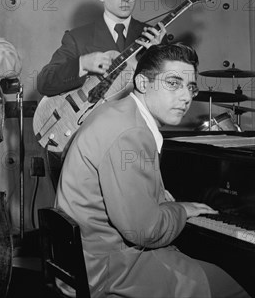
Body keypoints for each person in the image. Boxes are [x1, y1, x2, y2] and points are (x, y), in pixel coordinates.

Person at [56, 44, 249, 298]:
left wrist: (155, 198)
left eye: (190, 87)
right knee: (230, 287)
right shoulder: (131, 133)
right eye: (173, 83)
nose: (186, 97)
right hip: (107, 271)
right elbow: (145, 232)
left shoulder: (118, 112)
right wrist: (182, 209)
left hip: (83, 257)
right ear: (143, 83)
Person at [37, 0, 165, 97]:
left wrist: (158, 57)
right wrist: (82, 64)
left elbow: (170, 89)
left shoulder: (154, 36)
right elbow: (44, 82)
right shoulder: (77, 38)